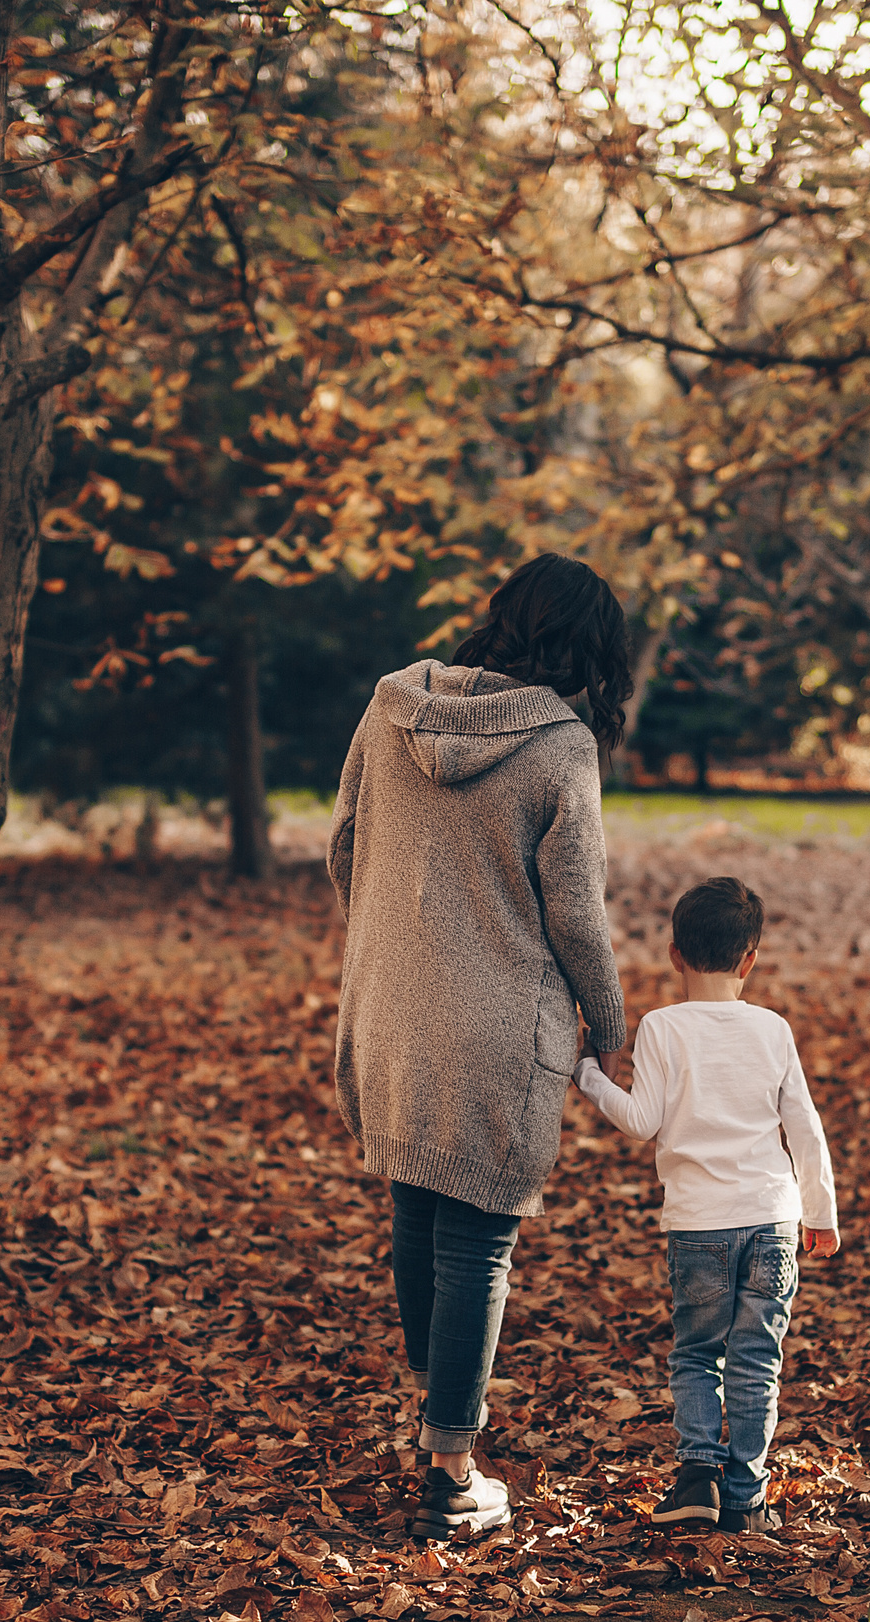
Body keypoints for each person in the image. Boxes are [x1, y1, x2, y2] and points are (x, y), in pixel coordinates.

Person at [327, 552, 634, 1543]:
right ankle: (454, 1475)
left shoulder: (389, 709)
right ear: (585, 645)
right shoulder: (560, 746)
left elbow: (343, 845)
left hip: (387, 1009)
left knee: (414, 1211)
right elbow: (577, 913)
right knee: (477, 1244)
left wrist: (399, 943)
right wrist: (611, 1025)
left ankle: (433, 1424)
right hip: (498, 1023)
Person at [573, 875, 840, 1533]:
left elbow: (640, 1119)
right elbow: (803, 1124)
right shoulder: (773, 1030)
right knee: (757, 1358)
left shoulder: (663, 1027)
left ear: (674, 954)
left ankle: (698, 1474)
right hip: (773, 1220)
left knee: (697, 1353)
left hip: (699, 1226)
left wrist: (586, 1076)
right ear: (750, 958)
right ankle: (746, 1491)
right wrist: (820, 1211)